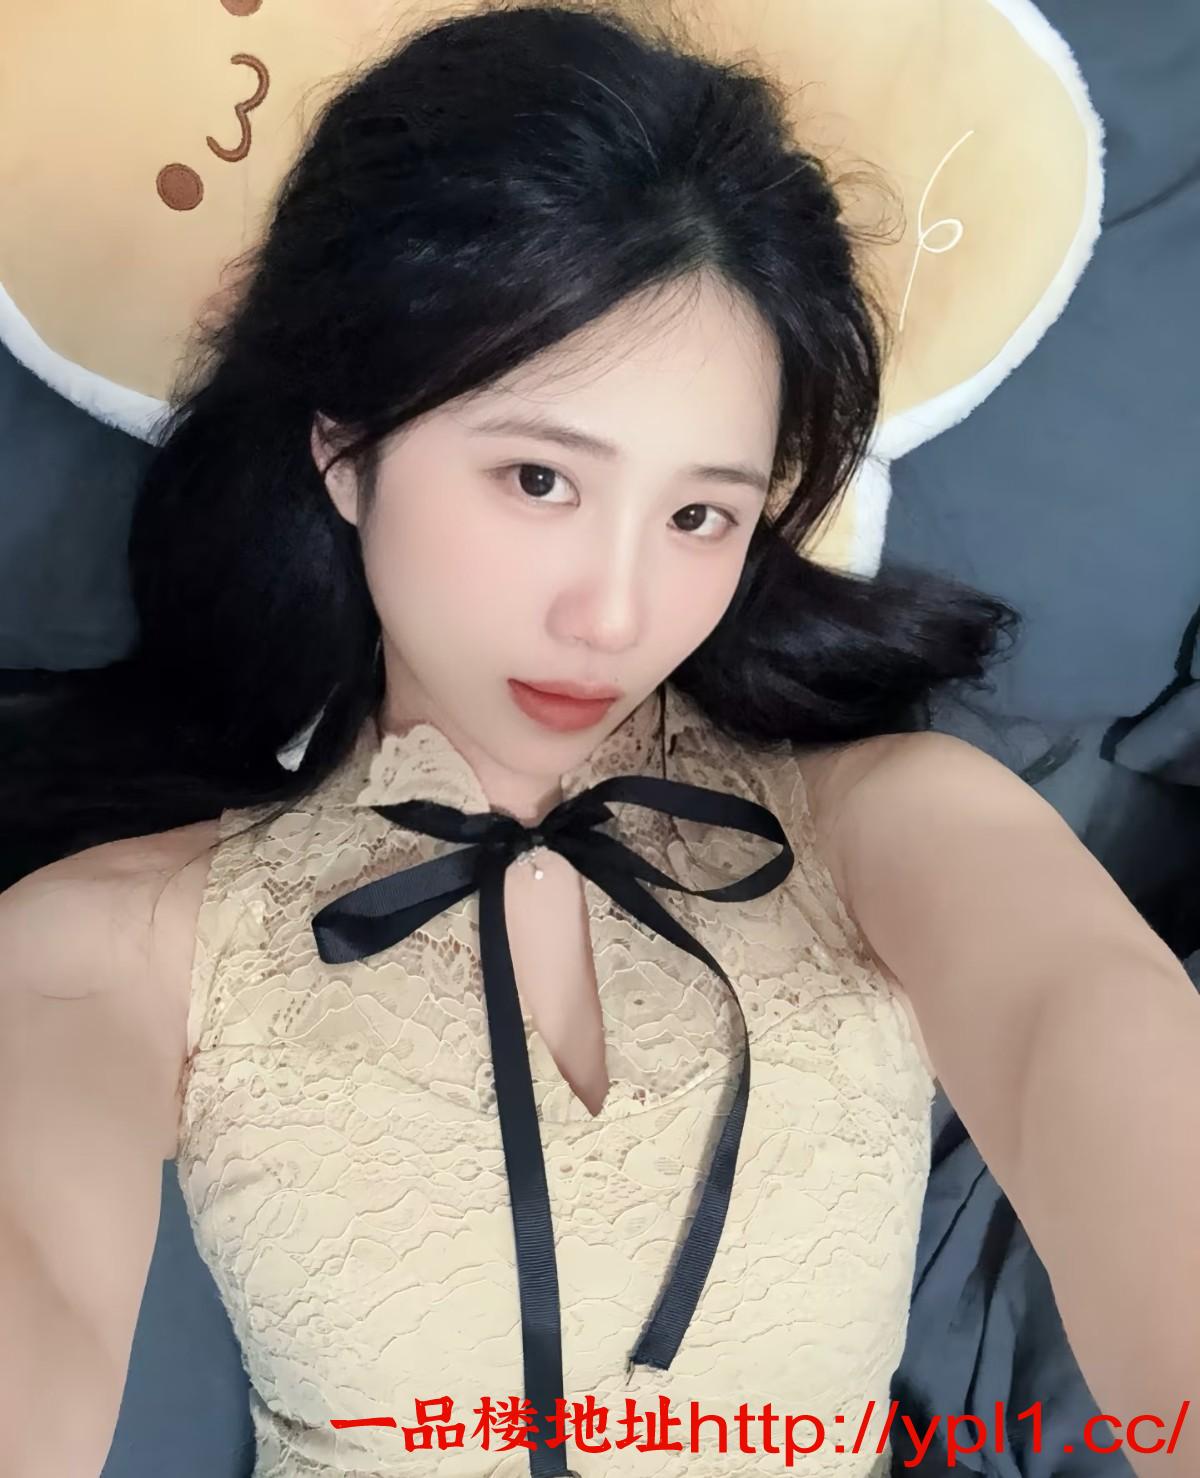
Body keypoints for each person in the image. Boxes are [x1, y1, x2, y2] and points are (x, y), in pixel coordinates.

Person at [1, 4, 1196, 1475]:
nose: (617, 614)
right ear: (346, 449)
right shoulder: (117, 935)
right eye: (538, 480)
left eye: (699, 513)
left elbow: (1092, 1039)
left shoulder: (899, 826)